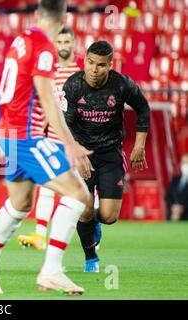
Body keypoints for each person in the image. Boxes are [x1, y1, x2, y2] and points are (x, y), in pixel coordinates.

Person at [0, 0, 93, 295]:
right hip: (26, 137)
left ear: (37, 15)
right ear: (63, 17)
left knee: (21, 204)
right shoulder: (44, 48)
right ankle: (51, 271)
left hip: (10, 133)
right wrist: (71, 144)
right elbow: (48, 98)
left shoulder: (20, 40)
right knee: (79, 194)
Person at [61, 40, 150, 272]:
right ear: (84, 61)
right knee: (85, 208)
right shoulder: (72, 86)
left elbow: (143, 108)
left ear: (109, 65)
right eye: (90, 62)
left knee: (109, 216)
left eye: (100, 65)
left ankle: (94, 223)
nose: (93, 69)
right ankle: (91, 259)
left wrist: (139, 145)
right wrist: (77, 155)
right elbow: (65, 125)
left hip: (111, 153)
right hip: (83, 154)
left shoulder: (122, 84)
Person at [17, 27, 90, 250]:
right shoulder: (48, 69)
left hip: (79, 139)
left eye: (67, 41)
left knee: (84, 192)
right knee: (47, 187)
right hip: (53, 137)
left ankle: (90, 239)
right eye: (59, 41)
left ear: (74, 43)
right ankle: (40, 235)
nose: (63, 46)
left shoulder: (82, 67)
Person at [165, 153, 188, 221]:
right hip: (172, 216)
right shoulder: (175, 179)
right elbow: (168, 196)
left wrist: (182, 208)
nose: (185, 165)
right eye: (184, 163)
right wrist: (173, 207)